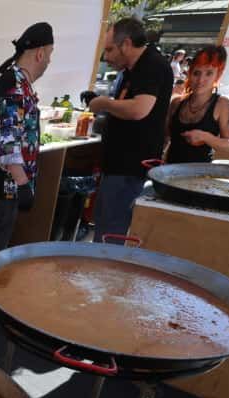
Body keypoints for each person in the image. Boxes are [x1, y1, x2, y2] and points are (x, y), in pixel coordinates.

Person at [0, 22, 54, 260]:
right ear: (40, 54)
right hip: (3, 187)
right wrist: (22, 185)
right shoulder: (14, 85)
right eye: (49, 55)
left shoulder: (19, 83)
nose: (49, 62)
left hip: (5, 188)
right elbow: (8, 144)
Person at [87, 17, 173, 239]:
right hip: (117, 163)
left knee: (111, 231)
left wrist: (104, 103)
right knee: (105, 223)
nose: (106, 57)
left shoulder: (152, 64)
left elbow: (139, 109)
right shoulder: (132, 69)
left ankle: (103, 271)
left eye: (109, 50)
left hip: (130, 166)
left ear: (126, 44)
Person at [164, 46, 229, 164]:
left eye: (209, 73)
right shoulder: (176, 103)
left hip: (199, 175)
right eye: (197, 73)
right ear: (190, 73)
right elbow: (165, 137)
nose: (201, 80)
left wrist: (205, 137)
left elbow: (228, 144)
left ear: (217, 76)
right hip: (168, 170)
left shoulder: (223, 104)